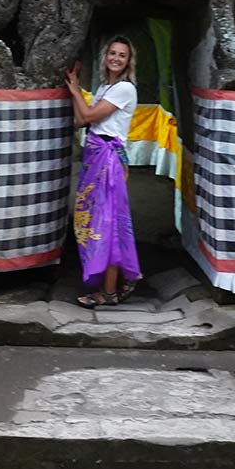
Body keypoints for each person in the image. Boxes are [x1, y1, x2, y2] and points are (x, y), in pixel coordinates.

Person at [64, 36, 142, 307]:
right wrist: (78, 94)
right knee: (94, 221)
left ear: (128, 61)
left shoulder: (123, 89)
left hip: (108, 159)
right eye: (112, 53)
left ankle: (108, 292)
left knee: (107, 225)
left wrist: (75, 90)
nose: (116, 59)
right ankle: (107, 288)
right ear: (105, 56)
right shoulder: (104, 89)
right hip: (95, 156)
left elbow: (86, 117)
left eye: (122, 55)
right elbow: (79, 120)